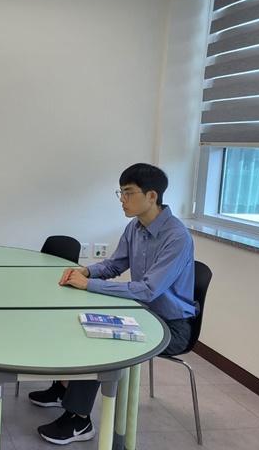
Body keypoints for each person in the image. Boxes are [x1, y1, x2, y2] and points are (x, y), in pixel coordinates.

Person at [30, 163, 197, 445]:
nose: (122, 199)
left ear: (152, 196)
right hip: (140, 312)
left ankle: (80, 421)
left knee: (100, 339)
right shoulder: (135, 227)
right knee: (79, 321)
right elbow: (114, 265)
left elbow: (148, 290)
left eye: (128, 193)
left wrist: (89, 285)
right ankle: (63, 389)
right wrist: (86, 271)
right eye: (120, 193)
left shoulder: (177, 237)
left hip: (170, 325)